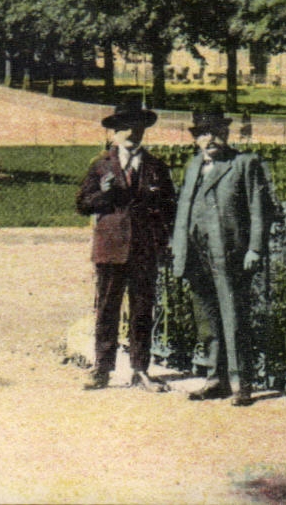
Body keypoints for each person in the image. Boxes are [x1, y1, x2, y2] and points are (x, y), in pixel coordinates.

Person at [170, 110, 275, 406]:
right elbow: (184, 208)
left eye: (215, 132)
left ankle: (242, 382)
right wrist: (178, 246)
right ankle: (215, 379)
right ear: (195, 138)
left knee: (234, 317)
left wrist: (255, 248)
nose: (210, 139)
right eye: (203, 133)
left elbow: (259, 210)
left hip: (229, 253)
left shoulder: (244, 164)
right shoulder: (193, 166)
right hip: (195, 254)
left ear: (227, 134)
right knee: (207, 318)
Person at [75, 102, 178, 392]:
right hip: (111, 249)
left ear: (144, 131)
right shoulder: (101, 165)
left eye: (137, 127)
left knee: (142, 310)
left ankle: (140, 369)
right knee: (107, 309)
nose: (131, 133)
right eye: (124, 128)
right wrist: (104, 194)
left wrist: (165, 242)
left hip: (144, 249)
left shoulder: (156, 167)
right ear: (115, 133)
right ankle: (103, 369)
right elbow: (82, 204)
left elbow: (170, 208)